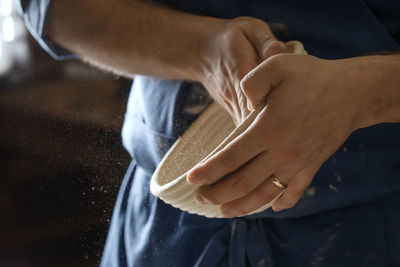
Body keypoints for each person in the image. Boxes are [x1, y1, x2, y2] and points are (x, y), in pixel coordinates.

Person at [19, 0, 400, 266]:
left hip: (370, 221)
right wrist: (200, 49)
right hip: (163, 223)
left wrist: (363, 92)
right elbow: (58, 9)